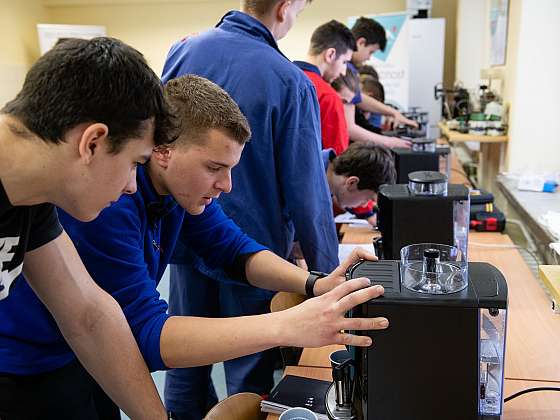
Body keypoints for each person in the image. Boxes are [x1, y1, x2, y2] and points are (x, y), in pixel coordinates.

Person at [0, 74, 389, 419]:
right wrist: (284, 326)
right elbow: (142, 332)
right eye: (215, 168)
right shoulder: (107, 203)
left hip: (87, 356)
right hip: (32, 366)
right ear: (163, 152)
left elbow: (234, 251)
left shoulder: (177, 192)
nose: (227, 185)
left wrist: (314, 283)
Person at [160, 1, 342, 416]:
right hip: (253, 236)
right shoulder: (290, 79)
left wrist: (315, 283)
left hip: (189, 236)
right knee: (249, 366)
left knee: (184, 362)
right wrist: (329, 272)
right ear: (285, 8)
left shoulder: (183, 50)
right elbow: (307, 189)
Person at [0, 37, 175, 419]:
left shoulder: (31, 194)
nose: (132, 185)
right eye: (134, 162)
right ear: (92, 142)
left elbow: (88, 314)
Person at [295, 20, 404, 154]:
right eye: (344, 62)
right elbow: (338, 159)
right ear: (330, 55)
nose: (343, 71)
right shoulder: (329, 97)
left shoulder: (285, 80)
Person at [344, 17, 416, 149]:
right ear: (361, 42)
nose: (369, 57)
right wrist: (389, 142)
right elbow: (349, 127)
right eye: (371, 52)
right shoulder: (344, 69)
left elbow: (358, 97)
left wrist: (393, 113)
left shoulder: (349, 68)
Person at [322, 143, 395, 216]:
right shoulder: (312, 191)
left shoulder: (323, 182)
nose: (364, 205)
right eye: (367, 199)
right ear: (352, 183)